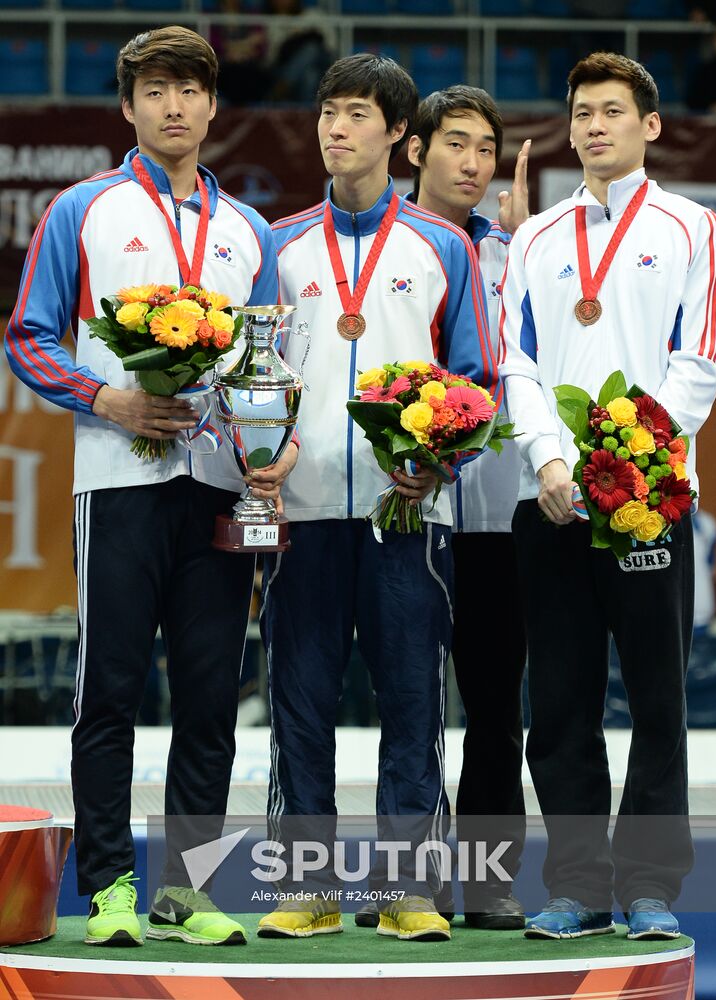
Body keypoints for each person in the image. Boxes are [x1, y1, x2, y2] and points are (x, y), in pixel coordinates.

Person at [4, 25, 295, 947]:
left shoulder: (249, 231)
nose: (174, 107)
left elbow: (268, 357)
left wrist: (268, 447)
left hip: (217, 486)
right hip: (116, 482)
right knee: (111, 690)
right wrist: (108, 400)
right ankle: (110, 892)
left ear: (215, 106)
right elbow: (27, 336)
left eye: (190, 91)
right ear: (128, 108)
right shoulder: (80, 210)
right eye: (155, 91)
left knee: (212, 694)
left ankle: (189, 887)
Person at [257, 53, 496, 943]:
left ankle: (408, 888)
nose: (335, 129)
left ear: (398, 133)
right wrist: (262, 455)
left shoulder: (443, 247)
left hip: (409, 513)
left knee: (410, 699)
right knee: (300, 700)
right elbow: (258, 378)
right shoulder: (278, 246)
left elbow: (474, 380)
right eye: (327, 112)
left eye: (357, 114)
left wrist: (440, 464)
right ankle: (306, 886)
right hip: (304, 509)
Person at [499, 51, 716, 940]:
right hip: (551, 499)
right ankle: (576, 886)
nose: (593, 126)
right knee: (556, 702)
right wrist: (552, 464)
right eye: (581, 112)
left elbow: (698, 359)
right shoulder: (536, 237)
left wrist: (625, 461)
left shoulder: (689, 227)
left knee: (657, 698)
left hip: (649, 498)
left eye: (610, 111)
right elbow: (516, 361)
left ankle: (649, 889)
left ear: (650, 127)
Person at [403, 85, 530, 932]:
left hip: (490, 514)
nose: (474, 164)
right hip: (399, 510)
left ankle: (484, 881)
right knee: (406, 707)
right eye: (456, 145)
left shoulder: (512, 253)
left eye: (485, 149)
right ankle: (407, 884)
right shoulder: (384, 245)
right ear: (413, 151)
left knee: (493, 708)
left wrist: (525, 244)